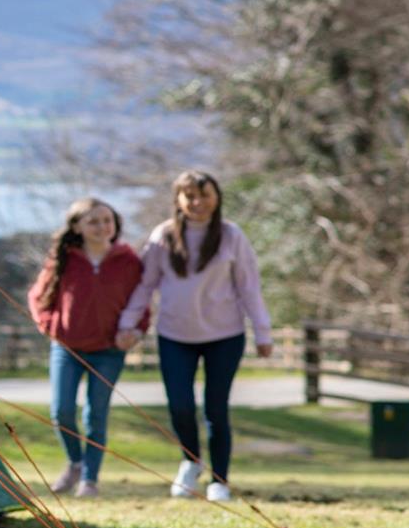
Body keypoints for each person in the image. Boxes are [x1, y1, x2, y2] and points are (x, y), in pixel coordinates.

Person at [117, 170, 273, 504]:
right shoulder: (163, 237)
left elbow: (249, 287)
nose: (198, 202)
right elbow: (145, 285)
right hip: (174, 334)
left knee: (216, 409)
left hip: (224, 335)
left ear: (217, 199)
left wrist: (262, 330)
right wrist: (128, 323)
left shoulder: (232, 236)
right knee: (180, 406)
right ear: (178, 200)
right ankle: (190, 461)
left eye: (205, 196)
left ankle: (220, 480)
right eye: (190, 196)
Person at [27, 197, 144, 498]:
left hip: (109, 352)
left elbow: (141, 303)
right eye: (93, 221)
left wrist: (136, 331)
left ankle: (89, 480)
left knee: (96, 415)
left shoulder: (129, 261)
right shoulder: (63, 259)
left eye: (107, 220)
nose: (102, 227)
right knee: (62, 411)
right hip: (67, 350)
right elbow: (38, 298)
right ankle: (75, 463)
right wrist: (52, 326)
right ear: (77, 227)